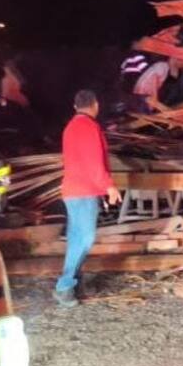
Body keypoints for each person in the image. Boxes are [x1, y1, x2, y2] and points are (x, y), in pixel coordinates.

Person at [55, 90, 121, 307]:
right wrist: (109, 186)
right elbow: (94, 163)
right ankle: (65, 287)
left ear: (75, 107)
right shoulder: (88, 127)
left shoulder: (71, 127)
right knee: (84, 239)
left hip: (75, 190)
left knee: (77, 239)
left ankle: (73, 284)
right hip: (83, 191)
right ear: (95, 105)